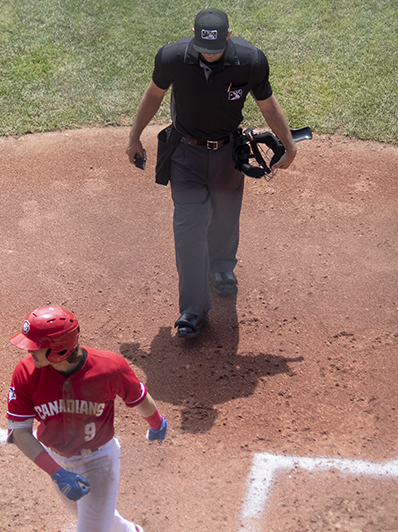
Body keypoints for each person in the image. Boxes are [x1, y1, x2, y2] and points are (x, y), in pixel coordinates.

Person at [6, 305, 169, 532]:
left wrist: (156, 422)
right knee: (92, 518)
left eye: (36, 347)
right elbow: (19, 434)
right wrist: (55, 472)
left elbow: (138, 398)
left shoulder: (109, 366)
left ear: (60, 349)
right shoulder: (27, 372)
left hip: (98, 462)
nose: (29, 353)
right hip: (57, 460)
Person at [125, 7, 298, 339]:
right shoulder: (173, 57)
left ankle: (221, 268)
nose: (210, 54)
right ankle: (192, 310)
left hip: (227, 155)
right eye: (204, 48)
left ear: (229, 37)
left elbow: (267, 103)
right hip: (185, 156)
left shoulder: (250, 61)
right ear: (193, 33)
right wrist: (134, 137)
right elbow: (154, 95)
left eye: (216, 48)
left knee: (225, 214)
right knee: (189, 225)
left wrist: (289, 144)